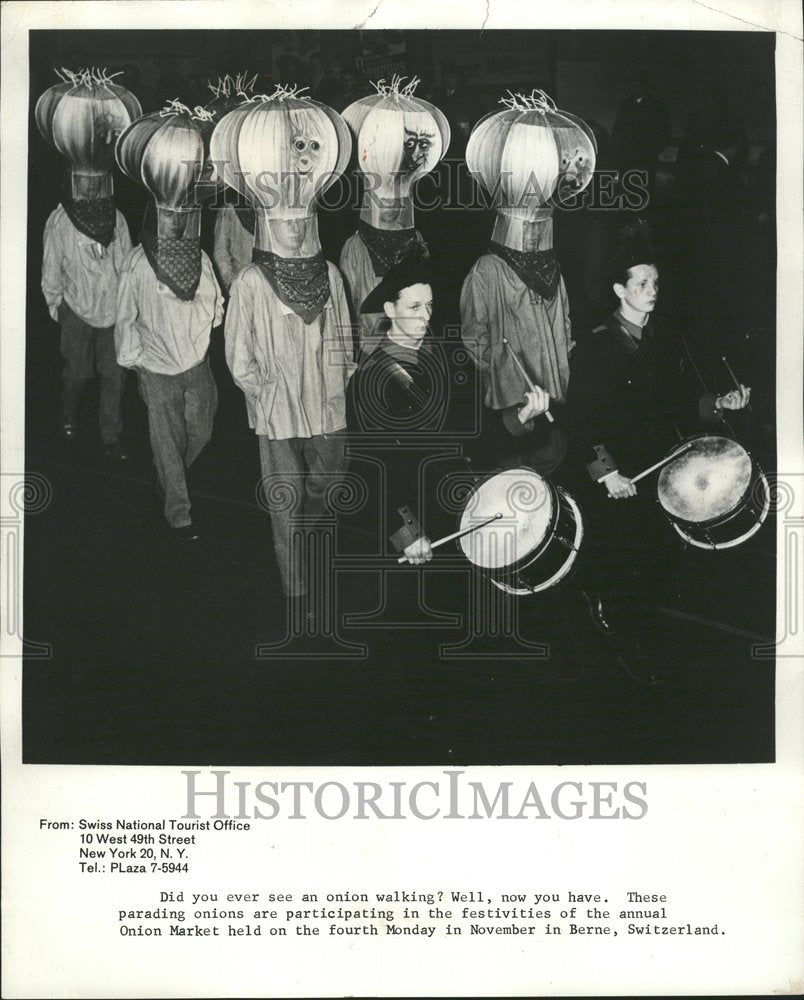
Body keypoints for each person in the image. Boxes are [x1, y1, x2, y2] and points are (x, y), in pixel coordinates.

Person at [566, 235, 751, 675]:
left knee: (654, 559)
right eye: (642, 282)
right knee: (623, 558)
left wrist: (717, 404)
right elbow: (582, 420)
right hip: (620, 474)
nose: (652, 289)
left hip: (659, 466)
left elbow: (683, 401)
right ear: (619, 290)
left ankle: (644, 626)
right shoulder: (595, 347)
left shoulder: (663, 340)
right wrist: (606, 473)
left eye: (654, 282)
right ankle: (608, 618)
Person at [115, 103, 223, 540]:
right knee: (166, 441)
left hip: (196, 368)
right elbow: (125, 315)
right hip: (157, 370)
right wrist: (135, 360)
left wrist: (202, 332)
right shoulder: (140, 264)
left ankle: (169, 475)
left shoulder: (199, 259)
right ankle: (179, 513)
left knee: (202, 431)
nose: (179, 229)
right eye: (172, 223)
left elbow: (216, 304)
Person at [37, 68, 141, 459]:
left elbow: (128, 263)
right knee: (78, 373)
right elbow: (51, 267)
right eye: (86, 184)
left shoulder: (116, 219)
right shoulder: (60, 219)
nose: (92, 189)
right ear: (74, 181)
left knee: (114, 375)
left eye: (99, 184)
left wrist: (128, 309)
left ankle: (110, 437)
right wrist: (56, 304)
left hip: (112, 309)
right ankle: (66, 413)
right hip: (76, 308)